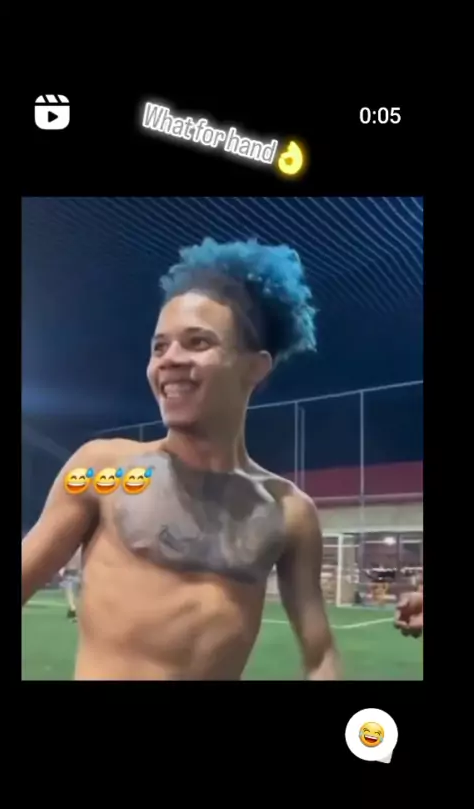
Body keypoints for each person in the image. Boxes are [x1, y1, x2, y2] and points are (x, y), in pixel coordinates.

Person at [22, 237, 340, 680]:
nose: (169, 360)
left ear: (255, 367)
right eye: (159, 347)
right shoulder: (99, 470)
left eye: (197, 342)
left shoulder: (290, 514)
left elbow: (320, 654)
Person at [58, 547, 83, 621]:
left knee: (69, 591)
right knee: (77, 593)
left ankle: (73, 608)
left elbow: (63, 561)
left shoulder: (69, 549)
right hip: (79, 572)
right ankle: (74, 609)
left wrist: (61, 570)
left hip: (70, 572)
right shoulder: (81, 549)